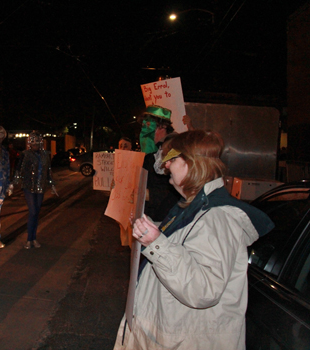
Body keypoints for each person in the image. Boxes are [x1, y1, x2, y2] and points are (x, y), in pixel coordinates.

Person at [114, 130, 274, 350]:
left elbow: (203, 289)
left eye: (172, 159)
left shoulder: (218, 218)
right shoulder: (196, 206)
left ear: (192, 164)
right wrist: (151, 230)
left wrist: (156, 244)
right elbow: (184, 245)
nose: (167, 166)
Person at [13, 131, 56, 249]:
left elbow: (48, 170)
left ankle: (34, 238)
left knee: (36, 212)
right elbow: (18, 168)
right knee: (32, 211)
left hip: (41, 187)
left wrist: (52, 184)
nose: (35, 145)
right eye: (33, 143)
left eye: (37, 142)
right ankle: (28, 239)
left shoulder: (45, 155)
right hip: (28, 186)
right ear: (29, 143)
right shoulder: (25, 154)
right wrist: (13, 183)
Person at [140, 105, 182, 222]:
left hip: (166, 218)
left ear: (162, 126)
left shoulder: (175, 145)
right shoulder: (152, 155)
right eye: (143, 126)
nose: (144, 131)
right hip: (151, 216)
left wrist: (146, 194)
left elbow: (175, 187)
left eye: (148, 125)